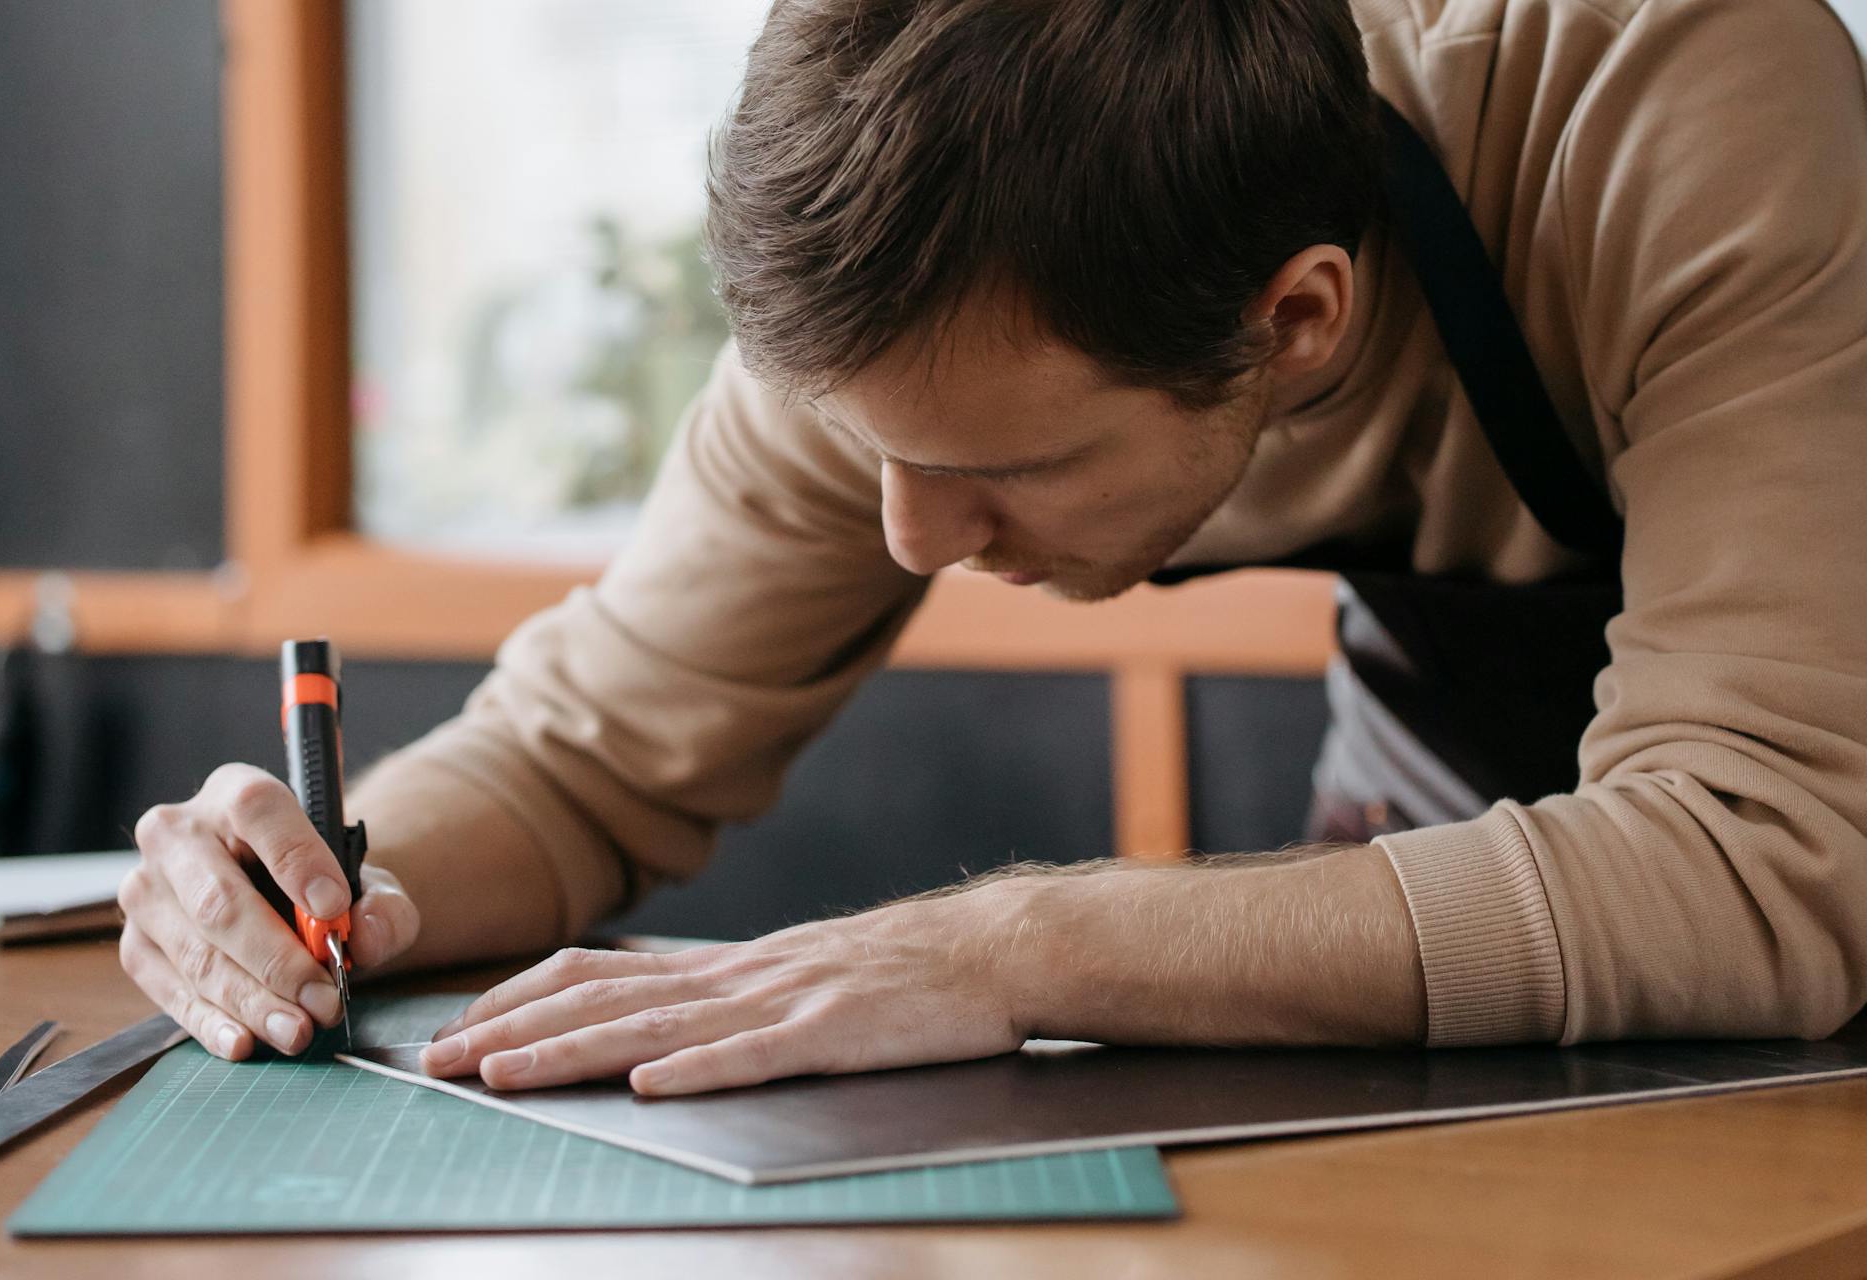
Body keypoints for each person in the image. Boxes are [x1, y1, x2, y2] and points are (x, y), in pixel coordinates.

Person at [118, 0, 1867, 1095]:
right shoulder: (903, 292)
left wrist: (1009, 946)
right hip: (1445, 802)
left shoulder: (1661, 92)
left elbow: (1765, 853)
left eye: (995, 472)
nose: (908, 535)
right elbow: (588, 756)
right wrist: (302, 889)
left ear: (1299, 321)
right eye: (871, 452)